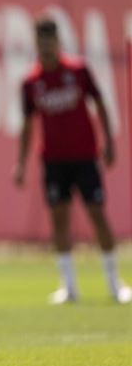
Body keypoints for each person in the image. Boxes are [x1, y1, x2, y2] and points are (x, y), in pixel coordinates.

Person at [14, 17, 130, 305]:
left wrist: (109, 143)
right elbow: (28, 125)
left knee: (97, 215)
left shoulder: (78, 71)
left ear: (58, 42)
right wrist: (20, 162)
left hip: (84, 157)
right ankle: (69, 286)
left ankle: (115, 283)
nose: (46, 47)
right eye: (41, 41)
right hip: (53, 161)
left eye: (50, 41)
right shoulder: (31, 83)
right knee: (59, 220)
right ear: (36, 44)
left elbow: (100, 103)